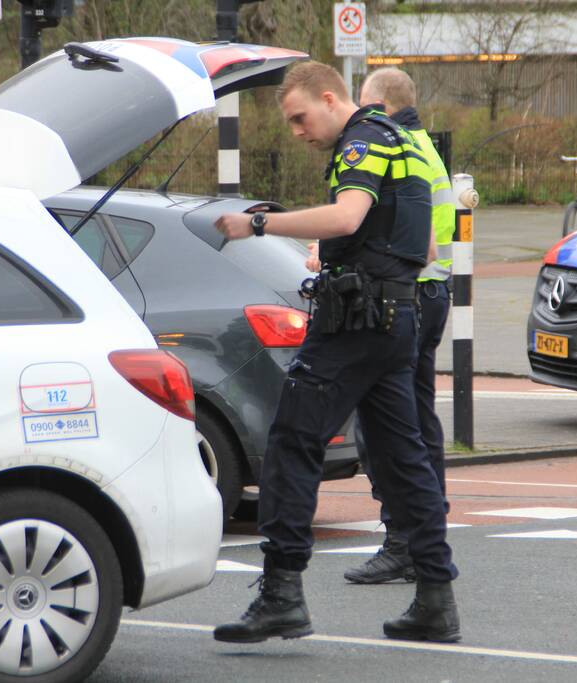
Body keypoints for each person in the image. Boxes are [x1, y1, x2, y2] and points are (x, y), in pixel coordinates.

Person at [212, 61, 461, 645]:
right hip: (399, 321)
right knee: (405, 461)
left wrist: (260, 224)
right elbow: (421, 244)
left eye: (300, 117)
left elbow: (349, 214)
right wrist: (356, 253)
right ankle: (435, 600)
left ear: (330, 98)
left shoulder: (362, 143)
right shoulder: (404, 141)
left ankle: (281, 596)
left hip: (353, 325)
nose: (297, 131)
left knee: (293, 443)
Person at [341, 66, 456, 585]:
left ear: (382, 105)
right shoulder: (425, 145)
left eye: (365, 105)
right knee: (416, 419)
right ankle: (427, 529)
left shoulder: (392, 145)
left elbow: (401, 231)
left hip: (406, 294)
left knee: (384, 425)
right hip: (433, 292)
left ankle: (403, 539)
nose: (359, 115)